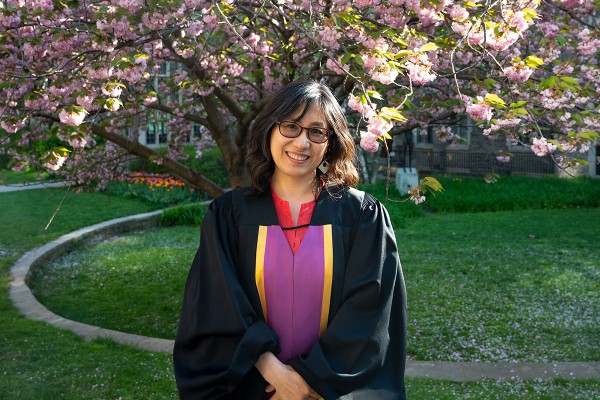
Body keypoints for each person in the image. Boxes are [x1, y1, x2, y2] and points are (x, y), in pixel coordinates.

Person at [173, 79, 407, 399]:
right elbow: (218, 303)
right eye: (290, 127)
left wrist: (309, 380)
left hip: (330, 391)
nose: (301, 143)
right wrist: (272, 369)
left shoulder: (362, 216)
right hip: (254, 385)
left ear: (330, 142)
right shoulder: (230, 216)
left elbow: (370, 312)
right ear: (269, 130)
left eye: (316, 131)